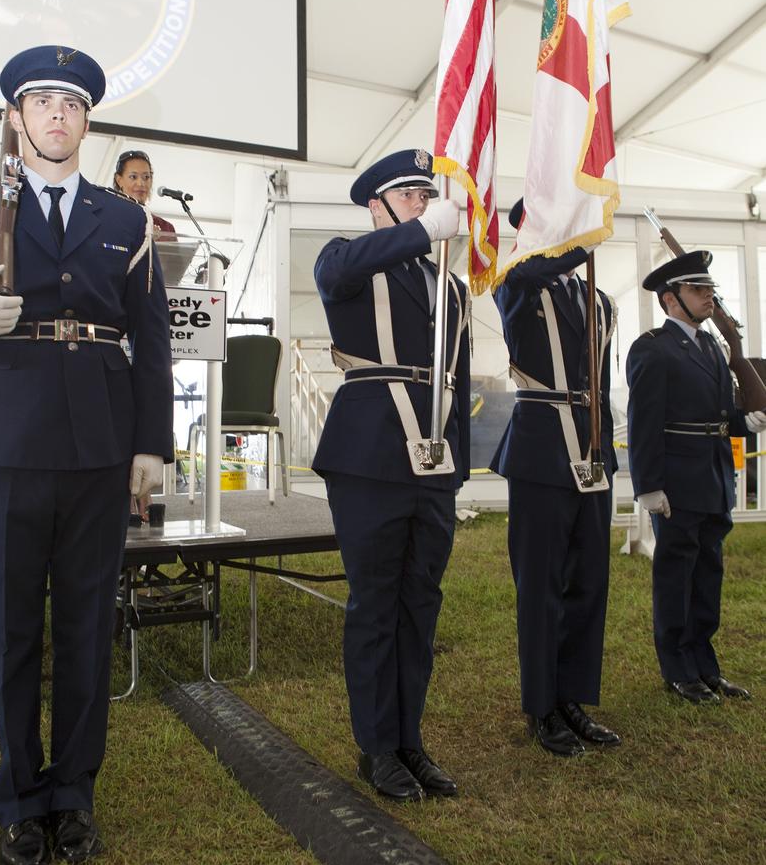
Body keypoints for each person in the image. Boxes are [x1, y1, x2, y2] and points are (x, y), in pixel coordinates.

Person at [0, 45, 174, 865]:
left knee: (85, 625)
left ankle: (74, 792)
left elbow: (151, 342)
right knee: (10, 629)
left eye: (72, 103)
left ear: (87, 121)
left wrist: (150, 446)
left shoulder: (125, 220)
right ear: (18, 117)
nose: (58, 115)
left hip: (100, 445)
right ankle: (18, 798)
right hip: (2, 443)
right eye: (42, 102)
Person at [312, 149, 471, 801]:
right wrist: (419, 232)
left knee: (419, 603)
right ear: (376, 205)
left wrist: (455, 463)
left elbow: (457, 381)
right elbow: (340, 270)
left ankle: (409, 739)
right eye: (407, 196)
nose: (421, 205)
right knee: (376, 602)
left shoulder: (450, 287)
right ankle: (376, 747)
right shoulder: (345, 257)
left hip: (432, 459)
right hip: (371, 452)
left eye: (423, 197)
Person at [490, 200, 621, 757]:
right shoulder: (518, 282)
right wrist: (576, 239)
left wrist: (606, 450)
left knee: (588, 582)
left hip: (591, 451)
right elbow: (524, 270)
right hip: (543, 450)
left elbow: (602, 383)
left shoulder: (600, 300)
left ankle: (573, 698)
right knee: (541, 586)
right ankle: (542, 705)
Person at [626, 250, 765, 704]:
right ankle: (677, 667)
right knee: (676, 573)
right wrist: (647, 485)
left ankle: (705, 663)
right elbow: (644, 420)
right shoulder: (653, 347)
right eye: (697, 290)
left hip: (713, 473)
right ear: (671, 299)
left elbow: (722, 414)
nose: (709, 297)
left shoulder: (712, 346)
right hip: (678, 478)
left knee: (709, 573)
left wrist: (750, 422)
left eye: (709, 289)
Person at [113, 149, 177, 239]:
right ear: (119, 180)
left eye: (146, 177)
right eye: (133, 177)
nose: (141, 183)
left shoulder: (165, 228)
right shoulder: (108, 218)